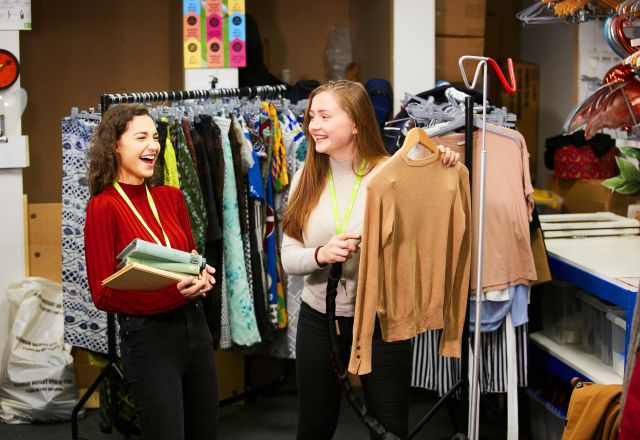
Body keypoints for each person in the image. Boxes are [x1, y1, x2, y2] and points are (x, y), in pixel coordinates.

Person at [281, 80, 460, 439]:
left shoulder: (395, 174)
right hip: (321, 320)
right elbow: (288, 258)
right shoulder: (305, 177)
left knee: (390, 428)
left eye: (325, 115)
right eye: (311, 116)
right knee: (314, 426)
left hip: (382, 320)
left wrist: (445, 164)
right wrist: (321, 254)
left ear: (357, 123)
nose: (314, 125)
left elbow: (432, 220)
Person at [84, 104, 218, 440]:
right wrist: (172, 293)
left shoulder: (171, 198)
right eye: (141, 136)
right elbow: (103, 293)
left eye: (155, 137)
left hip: (195, 329)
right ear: (115, 145)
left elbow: (190, 261)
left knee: (206, 433)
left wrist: (202, 277)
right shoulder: (104, 207)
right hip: (149, 340)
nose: (154, 145)